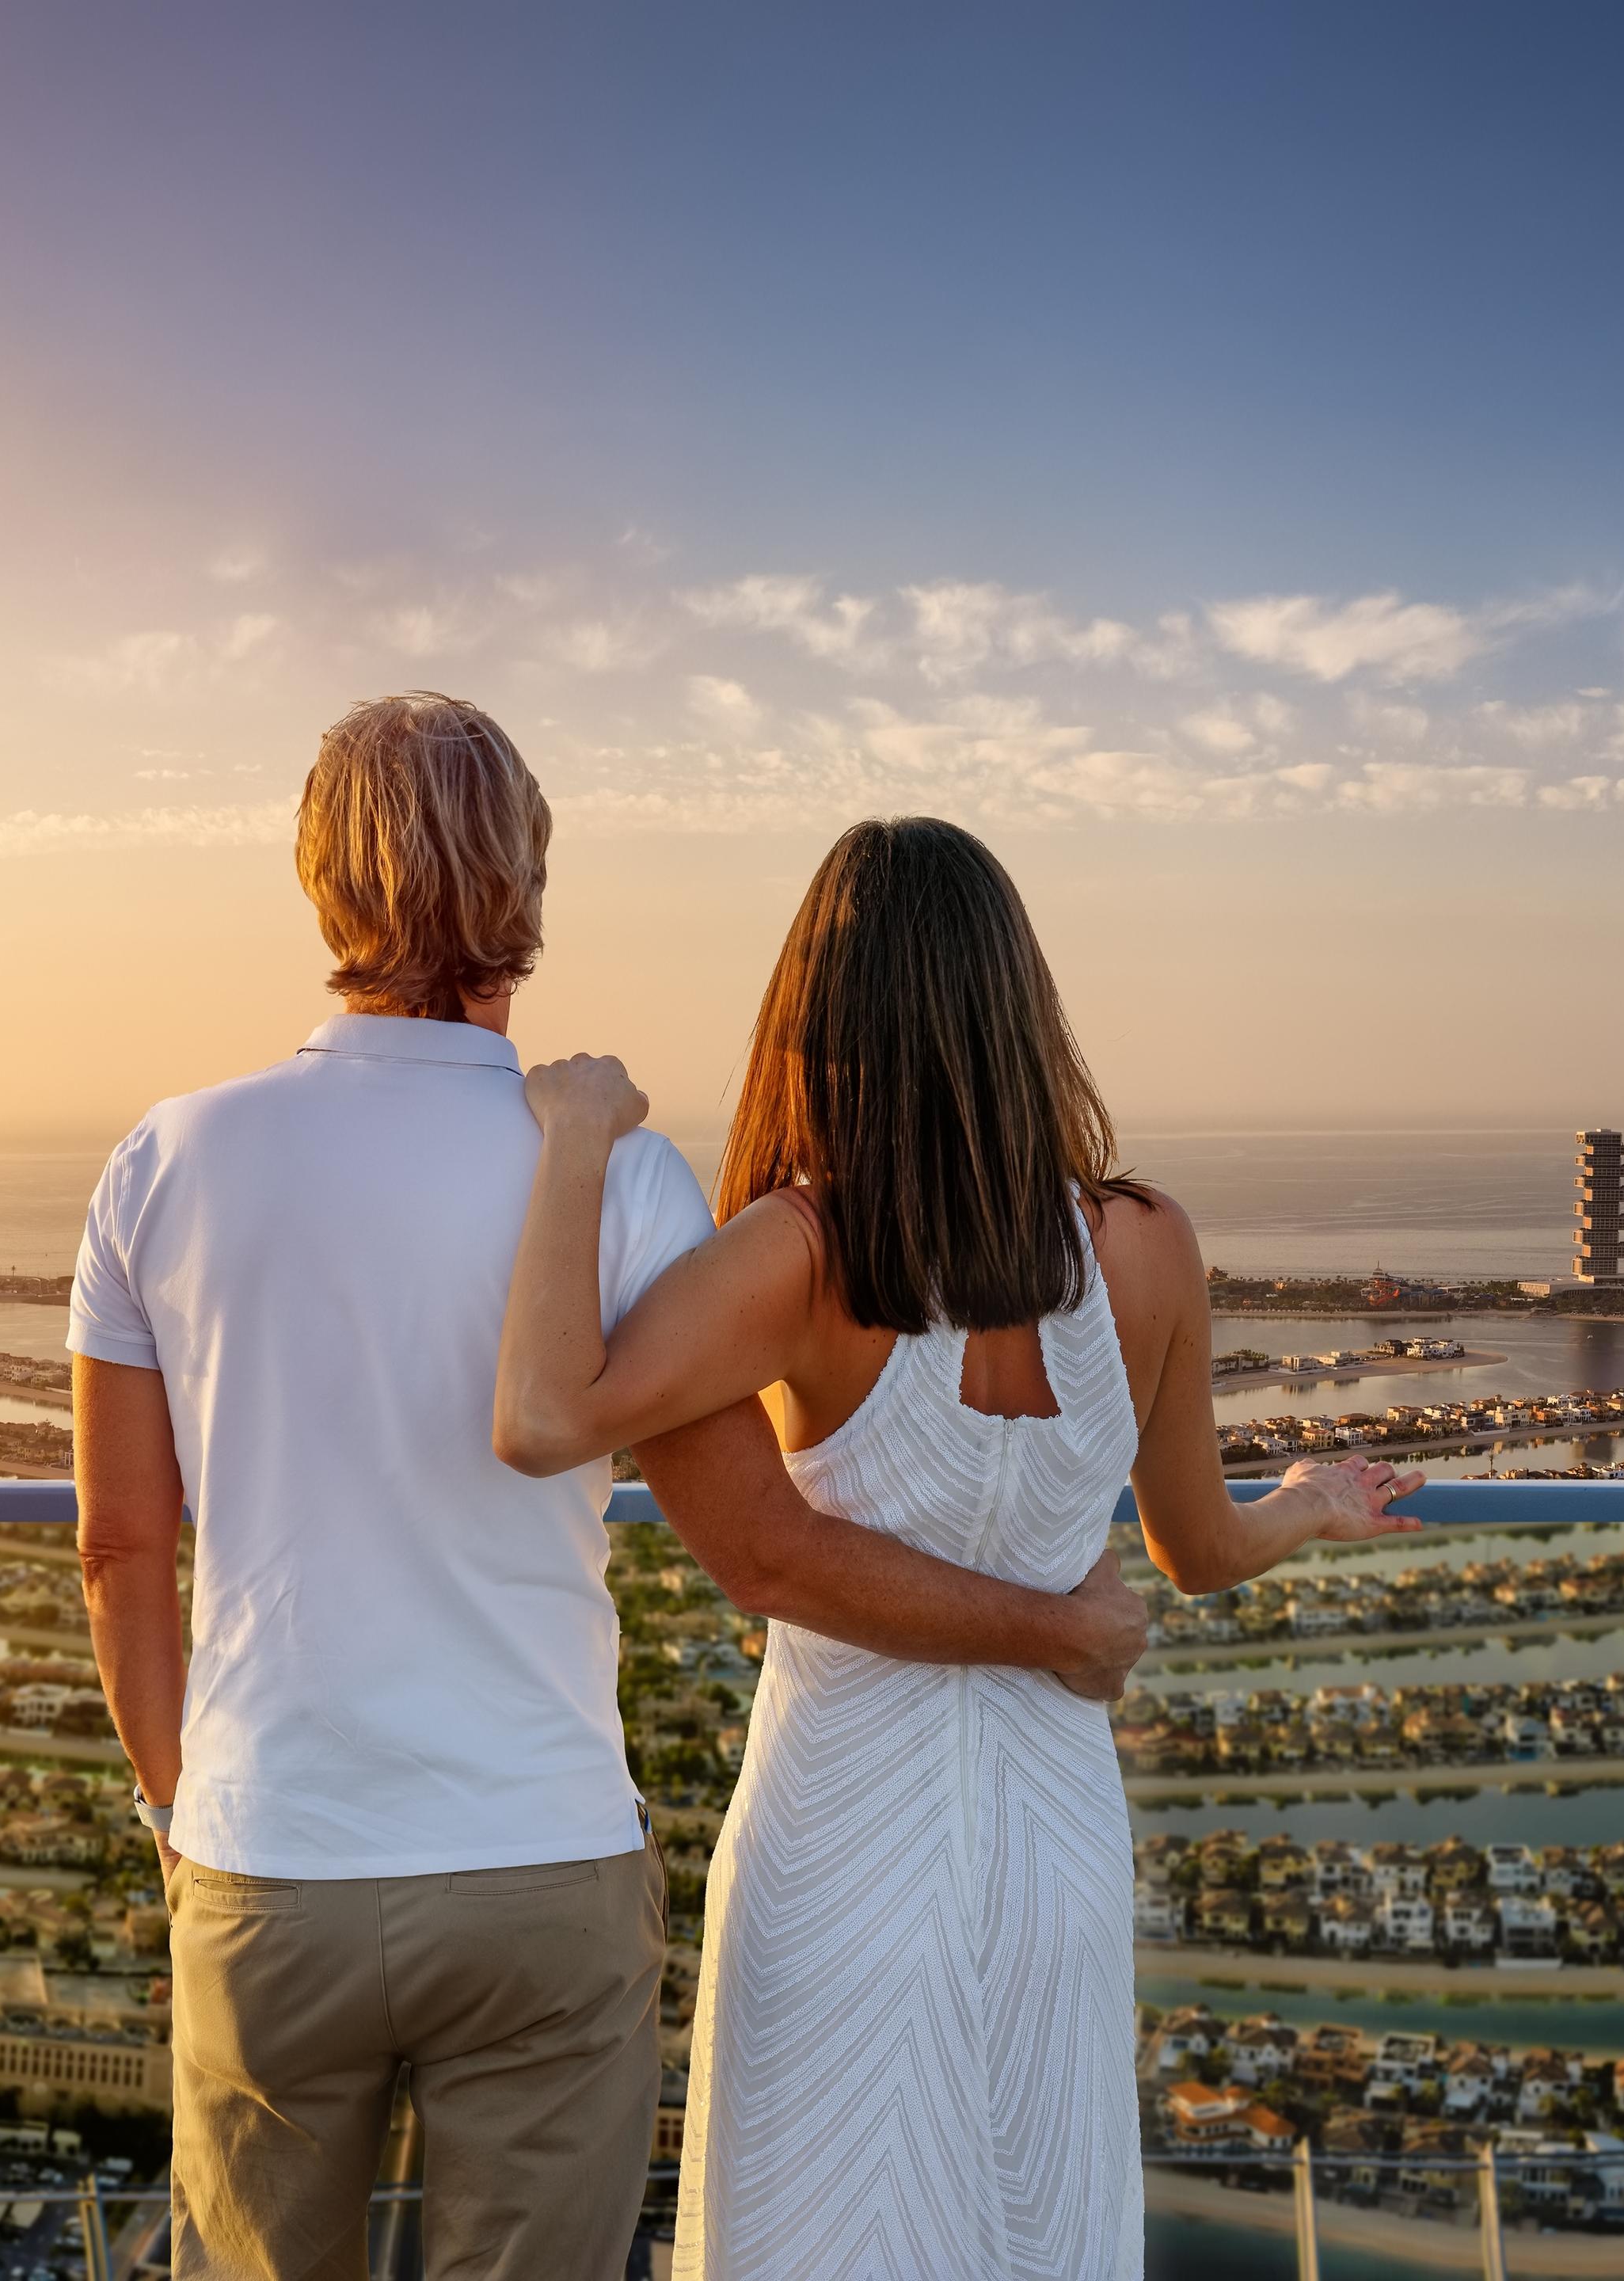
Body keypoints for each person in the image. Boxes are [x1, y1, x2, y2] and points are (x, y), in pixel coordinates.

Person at [69, 702, 1153, 2281]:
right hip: (539, 1860)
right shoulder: (624, 1179)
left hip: (273, 1859)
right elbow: (767, 1549)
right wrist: (1053, 1618)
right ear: (525, 882)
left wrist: (181, 1802)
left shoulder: (165, 1163)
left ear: (318, 882)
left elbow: (119, 1546)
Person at [492, 815, 1427, 2281]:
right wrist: (1305, 1501)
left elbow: (549, 1413)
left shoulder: (807, 1252)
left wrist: (569, 1145)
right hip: (1054, 1846)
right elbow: (1190, 1548)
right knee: (1038, 2225)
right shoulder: (1145, 1245)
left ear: (817, 1012)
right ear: (1019, 1005)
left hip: (840, 1841)